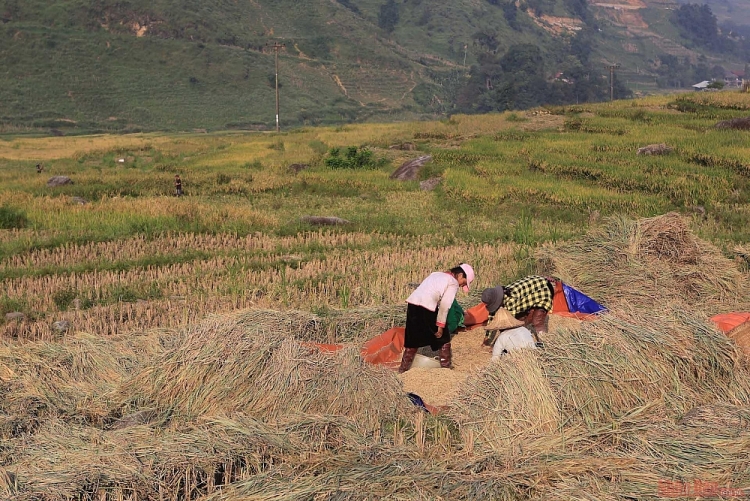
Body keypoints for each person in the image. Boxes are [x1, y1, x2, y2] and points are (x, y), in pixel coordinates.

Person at [399, 263, 475, 373]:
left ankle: (403, 370)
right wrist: (440, 325)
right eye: (464, 282)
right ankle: (446, 370)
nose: (462, 286)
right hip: (428, 307)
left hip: (413, 304)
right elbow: (445, 306)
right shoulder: (453, 282)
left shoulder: (435, 274)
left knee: (412, 340)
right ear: (460, 275)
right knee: (443, 338)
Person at [480, 275, 554, 345]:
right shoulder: (497, 297)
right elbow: (492, 317)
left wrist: (501, 341)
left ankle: (544, 344)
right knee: (522, 319)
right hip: (530, 291)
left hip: (542, 289)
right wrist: (487, 337)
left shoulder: (511, 300)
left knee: (537, 321)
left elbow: (510, 323)